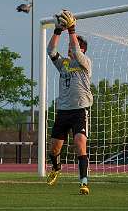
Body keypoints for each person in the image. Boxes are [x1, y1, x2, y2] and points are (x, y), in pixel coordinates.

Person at [46, 10, 93, 194]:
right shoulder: (64, 64)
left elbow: (75, 49)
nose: (70, 50)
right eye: (70, 48)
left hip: (80, 110)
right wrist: (58, 30)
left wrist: (72, 29)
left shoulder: (85, 62)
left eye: (74, 47)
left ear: (82, 50)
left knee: (80, 143)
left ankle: (83, 182)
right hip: (63, 111)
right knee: (54, 149)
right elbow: (51, 51)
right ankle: (56, 168)